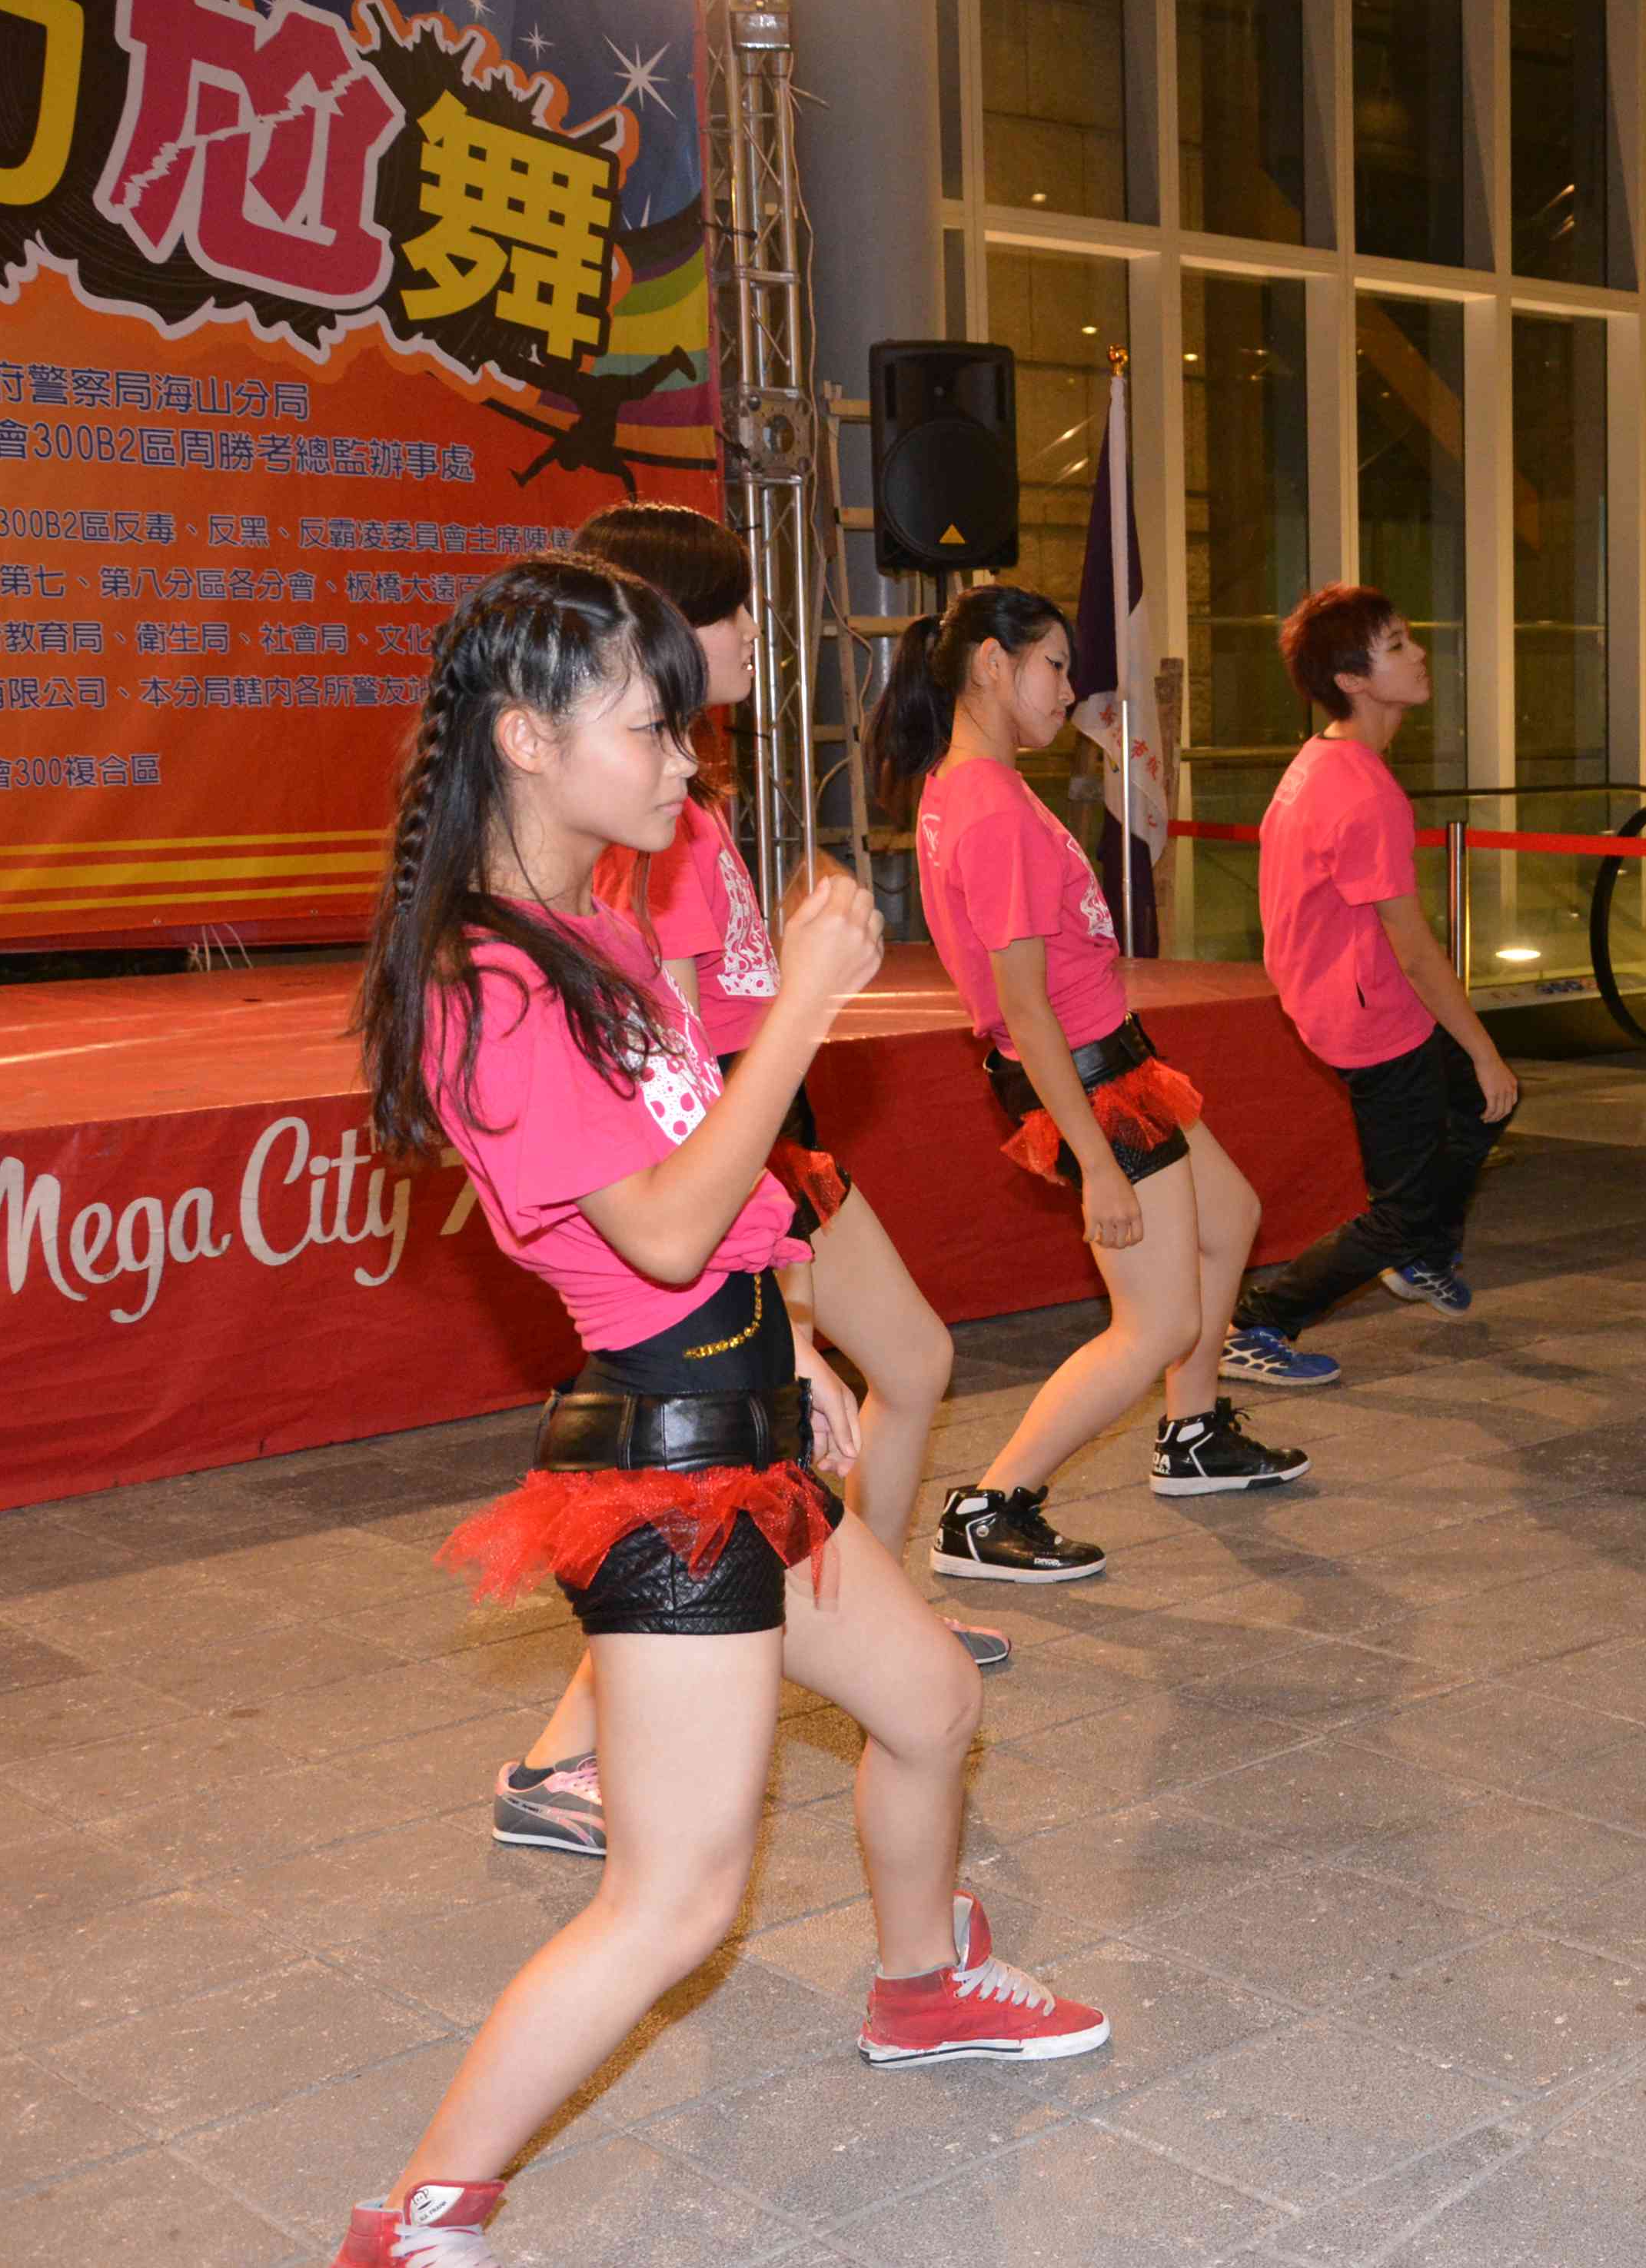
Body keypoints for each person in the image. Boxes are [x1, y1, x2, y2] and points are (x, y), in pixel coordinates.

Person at [331, 556, 1101, 2268]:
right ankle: (418, 2214)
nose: (686, 761)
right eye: (650, 725)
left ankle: (920, 1987)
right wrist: (809, 1002)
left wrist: (797, 1348)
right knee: (676, 1899)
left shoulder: (592, 930)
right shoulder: (489, 982)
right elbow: (660, 1233)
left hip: (740, 1419)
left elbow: (715, 1194)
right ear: (527, 739)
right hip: (667, 1477)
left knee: (929, 1704)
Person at [485, 507, 995, 1867]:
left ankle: (857, 1633)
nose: (753, 638)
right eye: (727, 612)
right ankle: (587, 1744)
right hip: (730, 1159)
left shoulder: (666, 813)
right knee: (677, 1893)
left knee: (827, 1423)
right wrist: (801, 1033)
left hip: (746, 1166)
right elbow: (674, 1092)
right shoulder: (615, 856)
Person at [879, 584, 1315, 1587]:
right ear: (992, 664)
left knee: (1230, 1216)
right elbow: (1024, 1007)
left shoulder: (972, 784)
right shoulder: (987, 805)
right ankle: (989, 1508)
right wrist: (1098, 1164)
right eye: (1054, 666)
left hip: (1110, 1055)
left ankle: (1191, 1435)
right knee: (1156, 1322)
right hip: (1083, 1076)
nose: (1068, 690)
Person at [1228, 585, 1518, 1361]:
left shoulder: (1323, 761)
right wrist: (1483, 1047)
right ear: (1353, 680)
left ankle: (1422, 1253)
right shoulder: (1362, 791)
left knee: (1483, 1104)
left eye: (1408, 637)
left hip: (1347, 994)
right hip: (1371, 1016)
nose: (1418, 654)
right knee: (1402, 1208)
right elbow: (1413, 947)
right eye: (1395, 647)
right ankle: (1257, 1323)